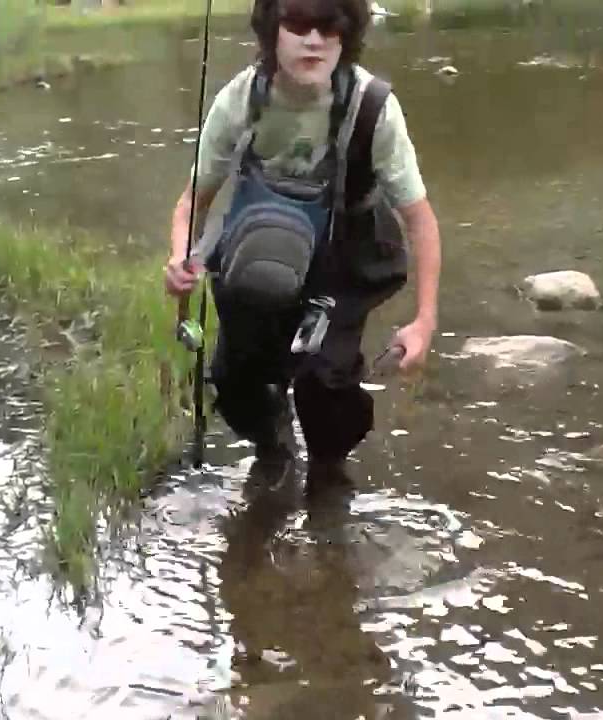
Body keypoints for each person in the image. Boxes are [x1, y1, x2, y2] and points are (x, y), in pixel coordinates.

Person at [164, 0, 441, 490]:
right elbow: (193, 202)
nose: (313, 40)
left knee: (325, 385)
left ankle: (329, 480)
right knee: (234, 380)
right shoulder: (242, 99)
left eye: (328, 25)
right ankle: (273, 445)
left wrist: (424, 322)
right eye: (296, 23)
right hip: (256, 252)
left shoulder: (372, 106)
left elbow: (419, 220)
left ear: (347, 33)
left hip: (341, 261)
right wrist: (180, 260)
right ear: (272, 31)